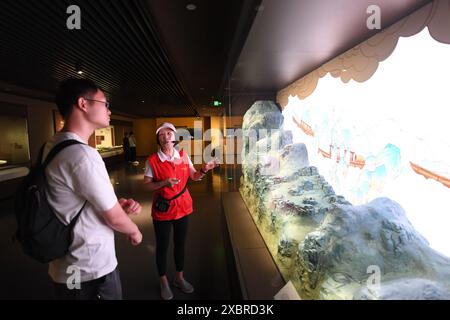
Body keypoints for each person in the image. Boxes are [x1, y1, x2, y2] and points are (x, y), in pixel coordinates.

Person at [45, 78, 143, 300]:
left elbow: (69, 201)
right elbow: (115, 219)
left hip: (67, 267)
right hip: (90, 270)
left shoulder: (53, 146)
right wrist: (134, 231)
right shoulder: (82, 155)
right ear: (83, 103)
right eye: (105, 103)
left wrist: (114, 204)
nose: (109, 110)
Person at [143, 122, 218, 300]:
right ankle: (163, 281)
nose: (166, 136)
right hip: (163, 209)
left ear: (175, 137)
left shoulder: (183, 156)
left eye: (169, 133)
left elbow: (193, 176)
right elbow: (146, 186)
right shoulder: (152, 160)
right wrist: (163, 183)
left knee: (180, 243)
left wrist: (204, 170)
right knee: (162, 247)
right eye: (162, 134)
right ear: (158, 140)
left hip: (183, 206)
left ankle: (179, 278)